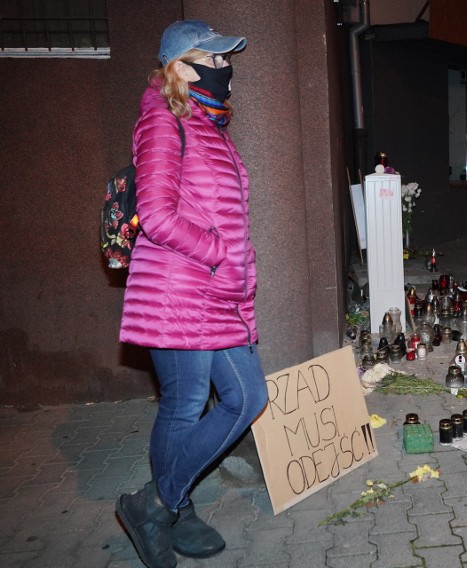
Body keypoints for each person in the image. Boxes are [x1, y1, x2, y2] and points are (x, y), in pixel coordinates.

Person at [115, 20, 268, 568]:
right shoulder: (161, 121)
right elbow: (155, 215)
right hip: (177, 293)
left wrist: (235, 268)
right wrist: (218, 253)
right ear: (178, 66)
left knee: (249, 397)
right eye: (214, 59)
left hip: (217, 295)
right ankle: (166, 506)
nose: (224, 69)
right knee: (183, 407)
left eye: (227, 61)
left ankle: (157, 502)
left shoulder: (208, 124)